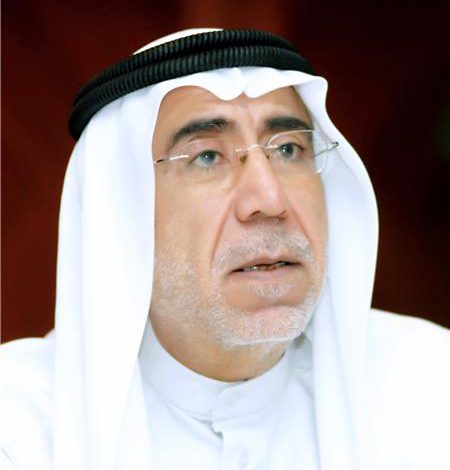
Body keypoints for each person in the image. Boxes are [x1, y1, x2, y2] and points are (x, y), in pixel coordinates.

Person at [0, 28, 448, 470]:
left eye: (288, 149)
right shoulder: (19, 427)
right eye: (207, 157)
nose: (269, 199)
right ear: (122, 210)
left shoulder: (428, 385)